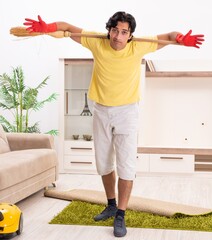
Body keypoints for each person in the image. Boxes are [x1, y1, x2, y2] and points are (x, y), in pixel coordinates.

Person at [24, 12, 204, 237]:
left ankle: (120, 214)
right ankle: (111, 204)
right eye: (115, 30)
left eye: (124, 32)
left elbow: (169, 35)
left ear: (130, 35)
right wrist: (48, 27)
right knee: (103, 163)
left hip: (127, 112)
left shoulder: (138, 47)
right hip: (100, 109)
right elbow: (67, 27)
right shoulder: (96, 42)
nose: (118, 36)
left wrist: (181, 39)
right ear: (109, 30)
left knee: (126, 164)